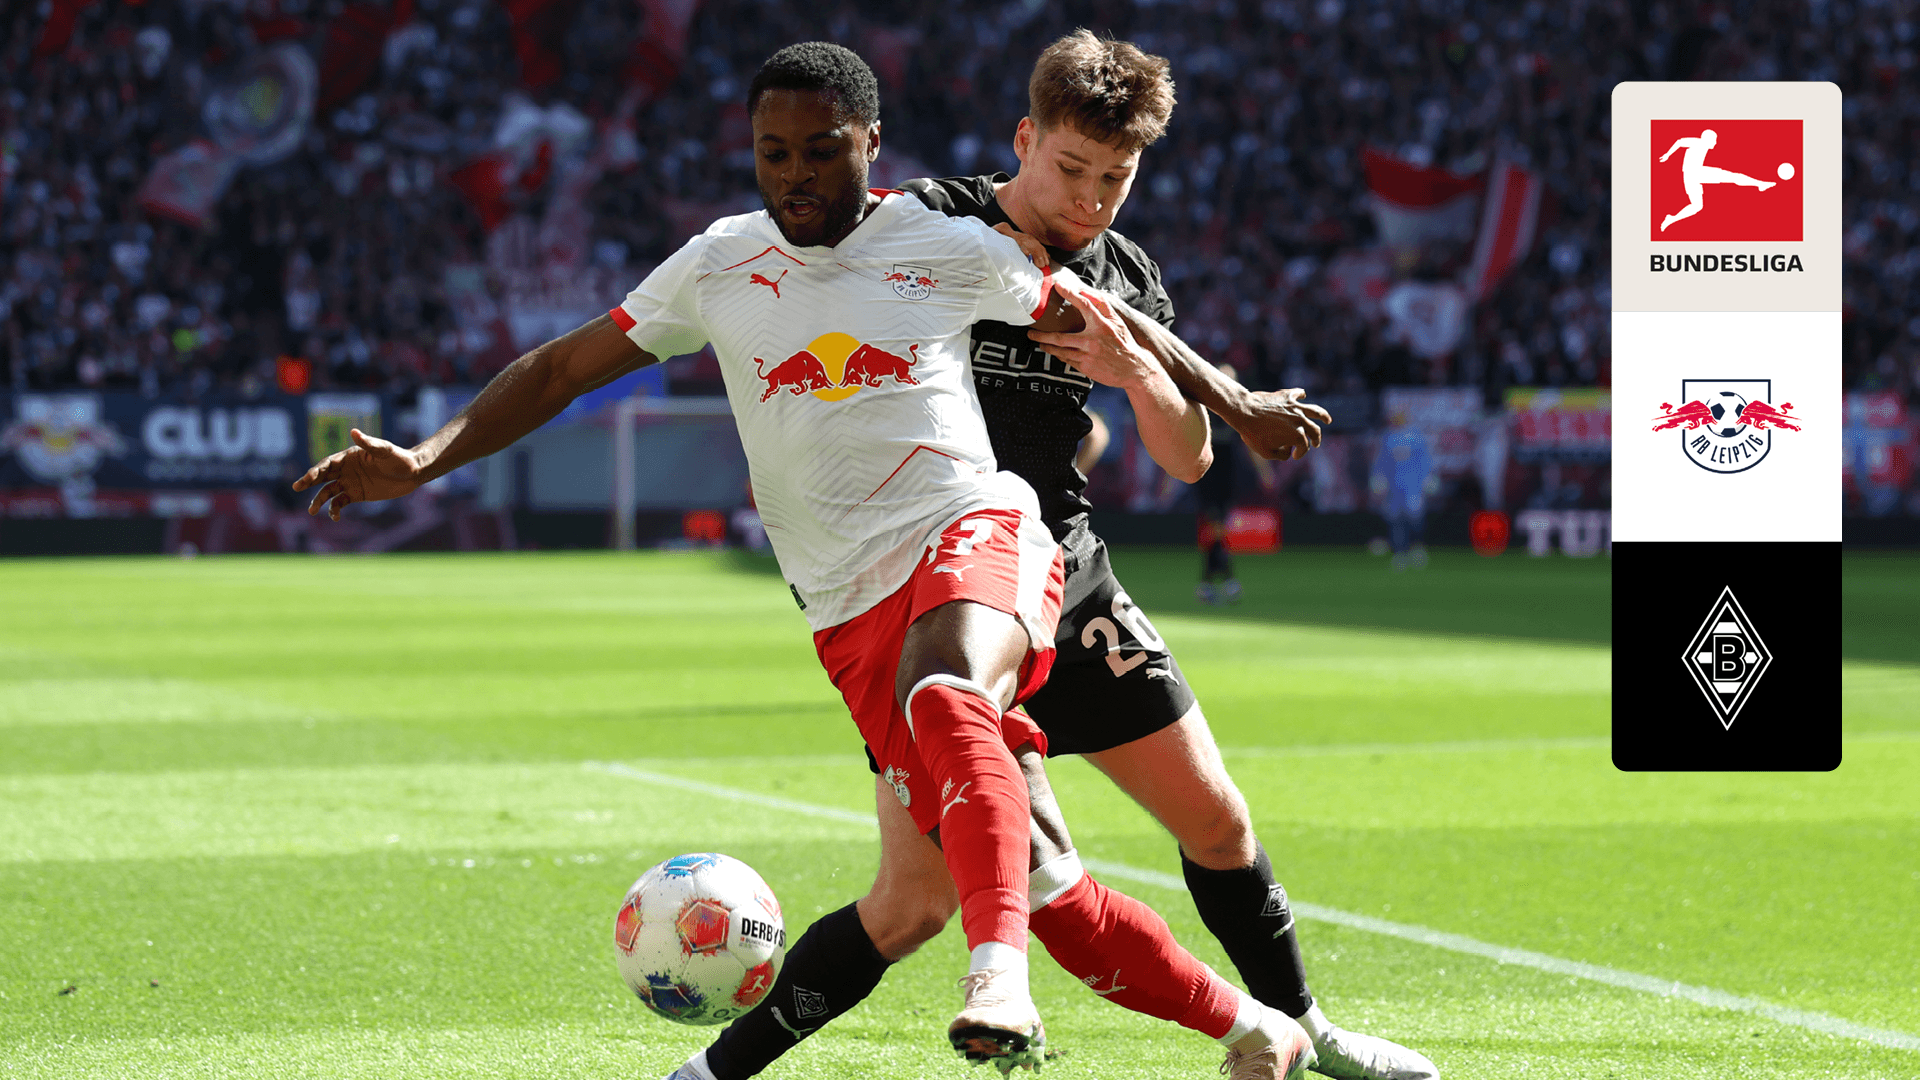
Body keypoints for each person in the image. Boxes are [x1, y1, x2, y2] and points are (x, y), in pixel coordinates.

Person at [296, 42, 1315, 1080]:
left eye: (822, 151)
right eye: (773, 152)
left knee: (949, 691)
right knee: (1041, 893)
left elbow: (1109, 317)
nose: (796, 174)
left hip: (976, 528)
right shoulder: (718, 264)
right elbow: (562, 369)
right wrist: (424, 458)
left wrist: (1238, 403)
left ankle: (996, 977)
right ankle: (1260, 1030)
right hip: (846, 606)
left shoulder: (941, 241)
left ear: (870, 145)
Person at [691, 30, 1437, 1080]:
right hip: (933, 587)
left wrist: (1138, 374)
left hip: (1070, 577)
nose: (1089, 200)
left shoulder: (1126, 274)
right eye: (1071, 169)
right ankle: (715, 1070)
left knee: (1218, 821)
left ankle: (1307, 1032)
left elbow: (1187, 459)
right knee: (911, 905)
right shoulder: (934, 220)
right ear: (1024, 140)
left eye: (1115, 180)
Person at [1194, 361, 1277, 604]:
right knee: (1216, 526)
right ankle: (1225, 581)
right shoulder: (1203, 406)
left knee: (1218, 529)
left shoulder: (1238, 409)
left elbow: (1250, 441)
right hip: (1207, 472)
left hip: (1228, 473)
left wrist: (1264, 471)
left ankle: (1209, 583)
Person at [1371, 410, 1435, 572]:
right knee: (1396, 520)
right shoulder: (1387, 437)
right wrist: (1379, 478)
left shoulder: (1416, 437)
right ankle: (1400, 552)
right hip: (1394, 488)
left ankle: (1417, 548)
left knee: (1415, 519)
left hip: (1413, 486)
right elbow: (1382, 461)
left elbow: (1424, 460)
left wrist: (1428, 478)